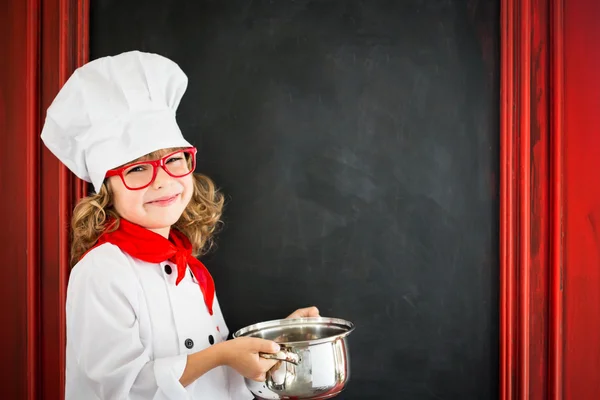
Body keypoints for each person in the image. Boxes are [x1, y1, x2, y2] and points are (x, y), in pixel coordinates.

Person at [40, 50, 319, 399]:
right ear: (106, 190)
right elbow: (120, 389)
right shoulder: (102, 270)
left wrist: (271, 345)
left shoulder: (190, 270)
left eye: (174, 159)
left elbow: (217, 382)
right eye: (137, 169)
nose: (162, 181)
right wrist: (222, 354)